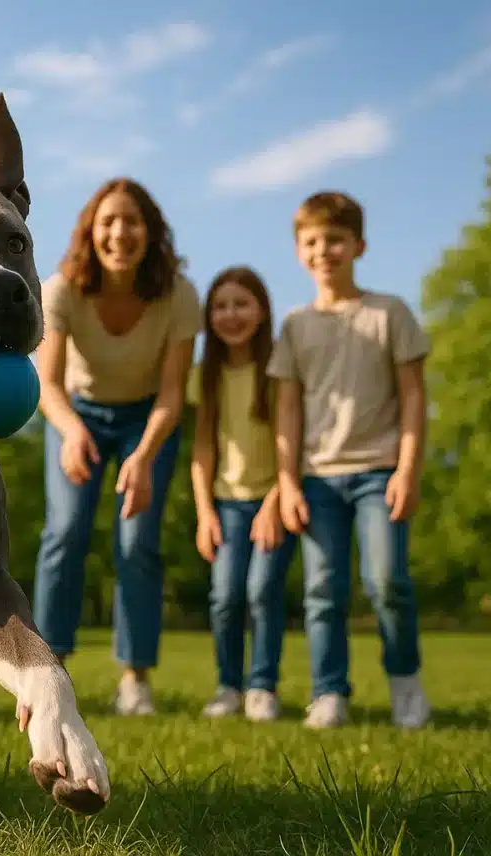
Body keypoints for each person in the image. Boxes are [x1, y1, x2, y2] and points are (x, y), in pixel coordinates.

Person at [32, 177, 203, 716]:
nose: (120, 232)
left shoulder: (178, 294)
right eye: (108, 221)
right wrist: (72, 431)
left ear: (151, 233)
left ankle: (135, 679)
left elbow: (175, 394)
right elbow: (48, 383)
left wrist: (145, 455)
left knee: (137, 544)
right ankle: (48, 672)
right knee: (65, 532)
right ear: (91, 232)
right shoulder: (61, 289)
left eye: (132, 222)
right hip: (77, 412)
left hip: (148, 419)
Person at [267, 190, 432, 730]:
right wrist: (287, 482)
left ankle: (405, 683)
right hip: (317, 479)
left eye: (335, 239)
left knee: (387, 583)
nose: (324, 250)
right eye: (312, 241)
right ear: (299, 251)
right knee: (322, 590)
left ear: (358, 245)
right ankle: (329, 692)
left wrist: (408, 469)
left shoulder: (390, 313)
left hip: (379, 474)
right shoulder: (295, 325)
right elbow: (287, 411)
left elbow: (412, 396)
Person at [187, 265, 297, 722]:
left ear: (262, 310)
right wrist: (204, 512)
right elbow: (203, 447)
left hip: (274, 499)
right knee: (226, 595)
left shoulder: (278, 371)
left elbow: (290, 441)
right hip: (226, 504)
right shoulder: (205, 375)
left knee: (263, 591)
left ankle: (262, 687)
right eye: (221, 306)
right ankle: (229, 686)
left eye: (241, 304)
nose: (231, 315)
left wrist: (275, 501)